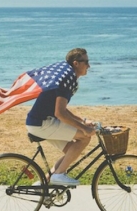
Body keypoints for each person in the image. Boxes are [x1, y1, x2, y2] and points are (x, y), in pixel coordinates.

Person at [25, 48, 96, 186]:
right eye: (86, 62)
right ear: (76, 63)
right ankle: (58, 175)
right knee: (84, 137)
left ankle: (45, 182)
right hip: (42, 124)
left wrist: (83, 121)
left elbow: (62, 110)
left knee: (71, 150)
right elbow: (60, 114)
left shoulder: (66, 77)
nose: (89, 65)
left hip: (39, 122)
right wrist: (84, 129)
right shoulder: (66, 80)